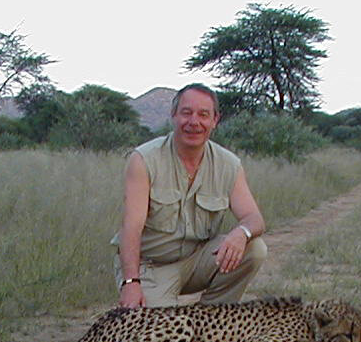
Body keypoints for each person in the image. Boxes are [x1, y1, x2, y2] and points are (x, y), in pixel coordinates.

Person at [113, 83, 267, 307]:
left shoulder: (229, 164)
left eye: (204, 115)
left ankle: (211, 317)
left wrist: (241, 233)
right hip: (152, 266)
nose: (194, 122)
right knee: (156, 337)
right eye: (186, 113)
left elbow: (255, 218)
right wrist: (131, 282)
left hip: (197, 260)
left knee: (255, 248)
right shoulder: (144, 159)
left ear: (215, 120)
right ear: (174, 115)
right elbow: (131, 227)